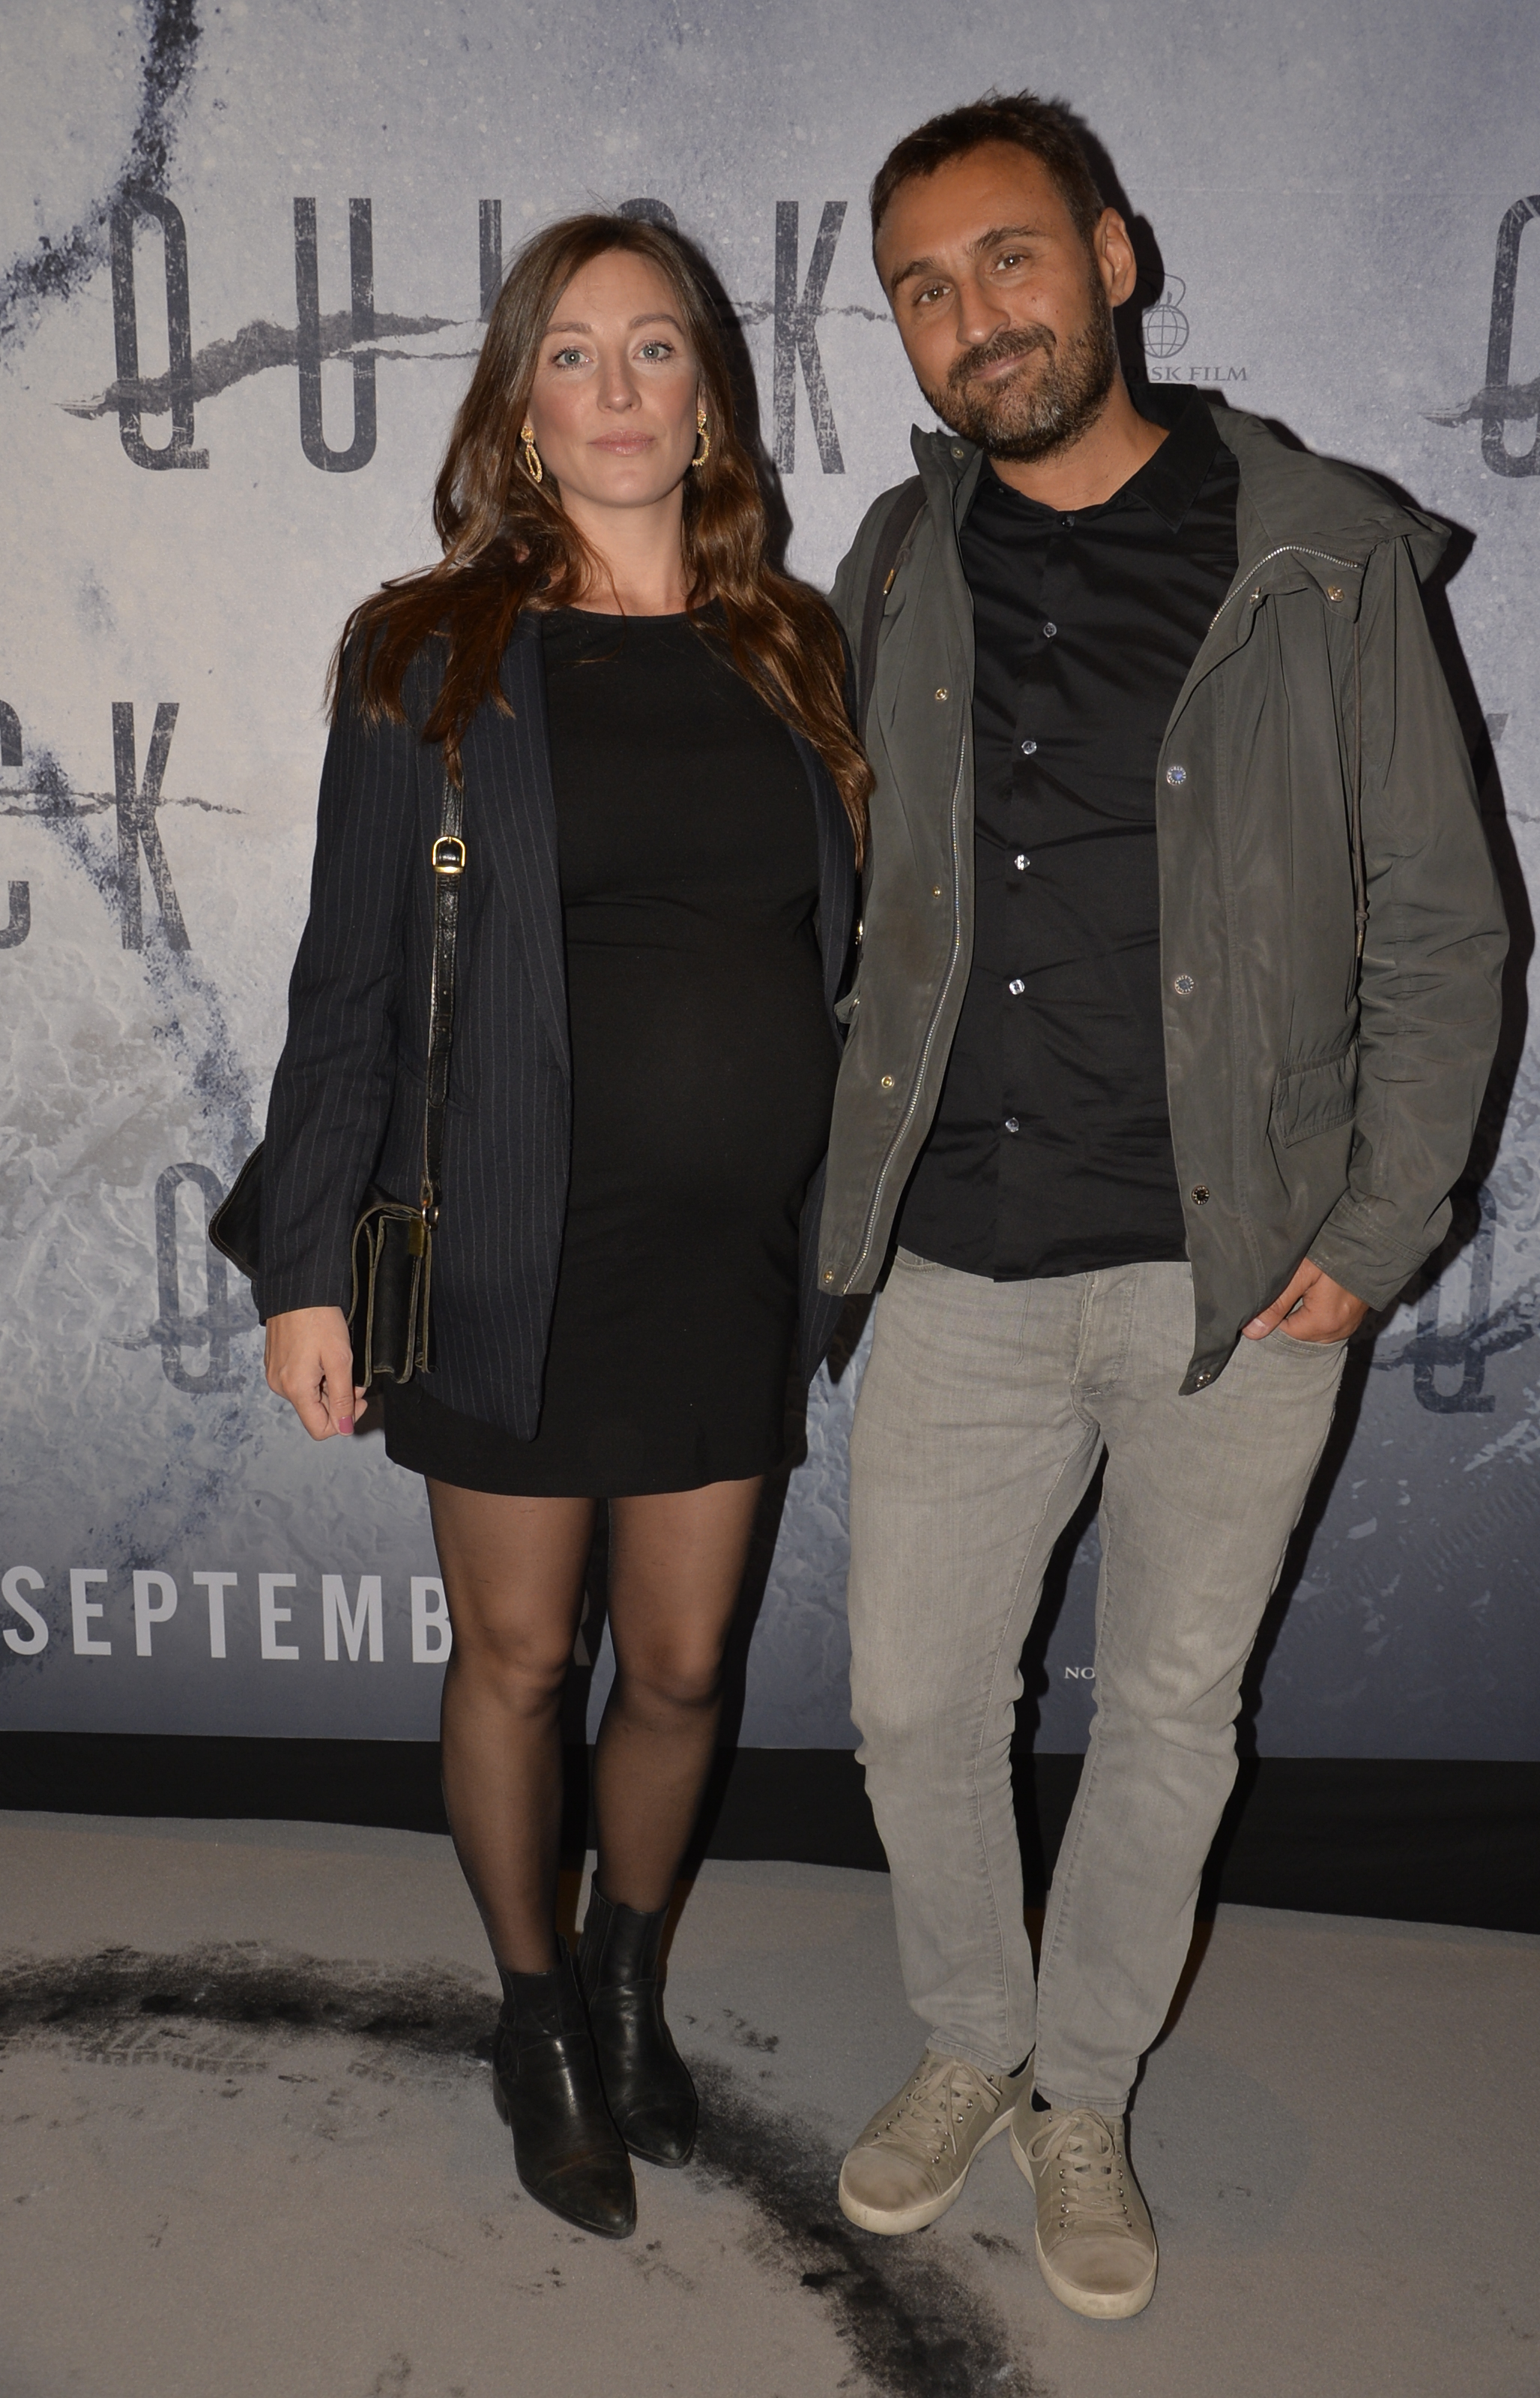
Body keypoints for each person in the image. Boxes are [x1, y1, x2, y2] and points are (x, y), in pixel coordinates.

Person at [818, 96, 1506, 2320]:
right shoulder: (895, 562)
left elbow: (1443, 924)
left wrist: (1377, 1232)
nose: (975, 319)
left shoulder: (1321, 556)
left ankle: (1085, 2091)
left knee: (1171, 1717)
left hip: (1239, 1274)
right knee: (915, 1705)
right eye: (924, 290)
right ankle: (973, 2038)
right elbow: (838, 902)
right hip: (960, 1257)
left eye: (1010, 259)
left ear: (1115, 257)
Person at [256, 213, 866, 2241]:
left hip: (725, 1266)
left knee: (681, 1666)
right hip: (507, 1251)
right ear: (520, 404)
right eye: (574, 353)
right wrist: (305, 1271)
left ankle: (626, 1980)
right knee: (522, 1658)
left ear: (711, 396)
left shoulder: (791, 648)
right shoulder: (430, 655)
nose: (618, 388)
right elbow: (348, 986)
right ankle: (533, 2019)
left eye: (656, 347)